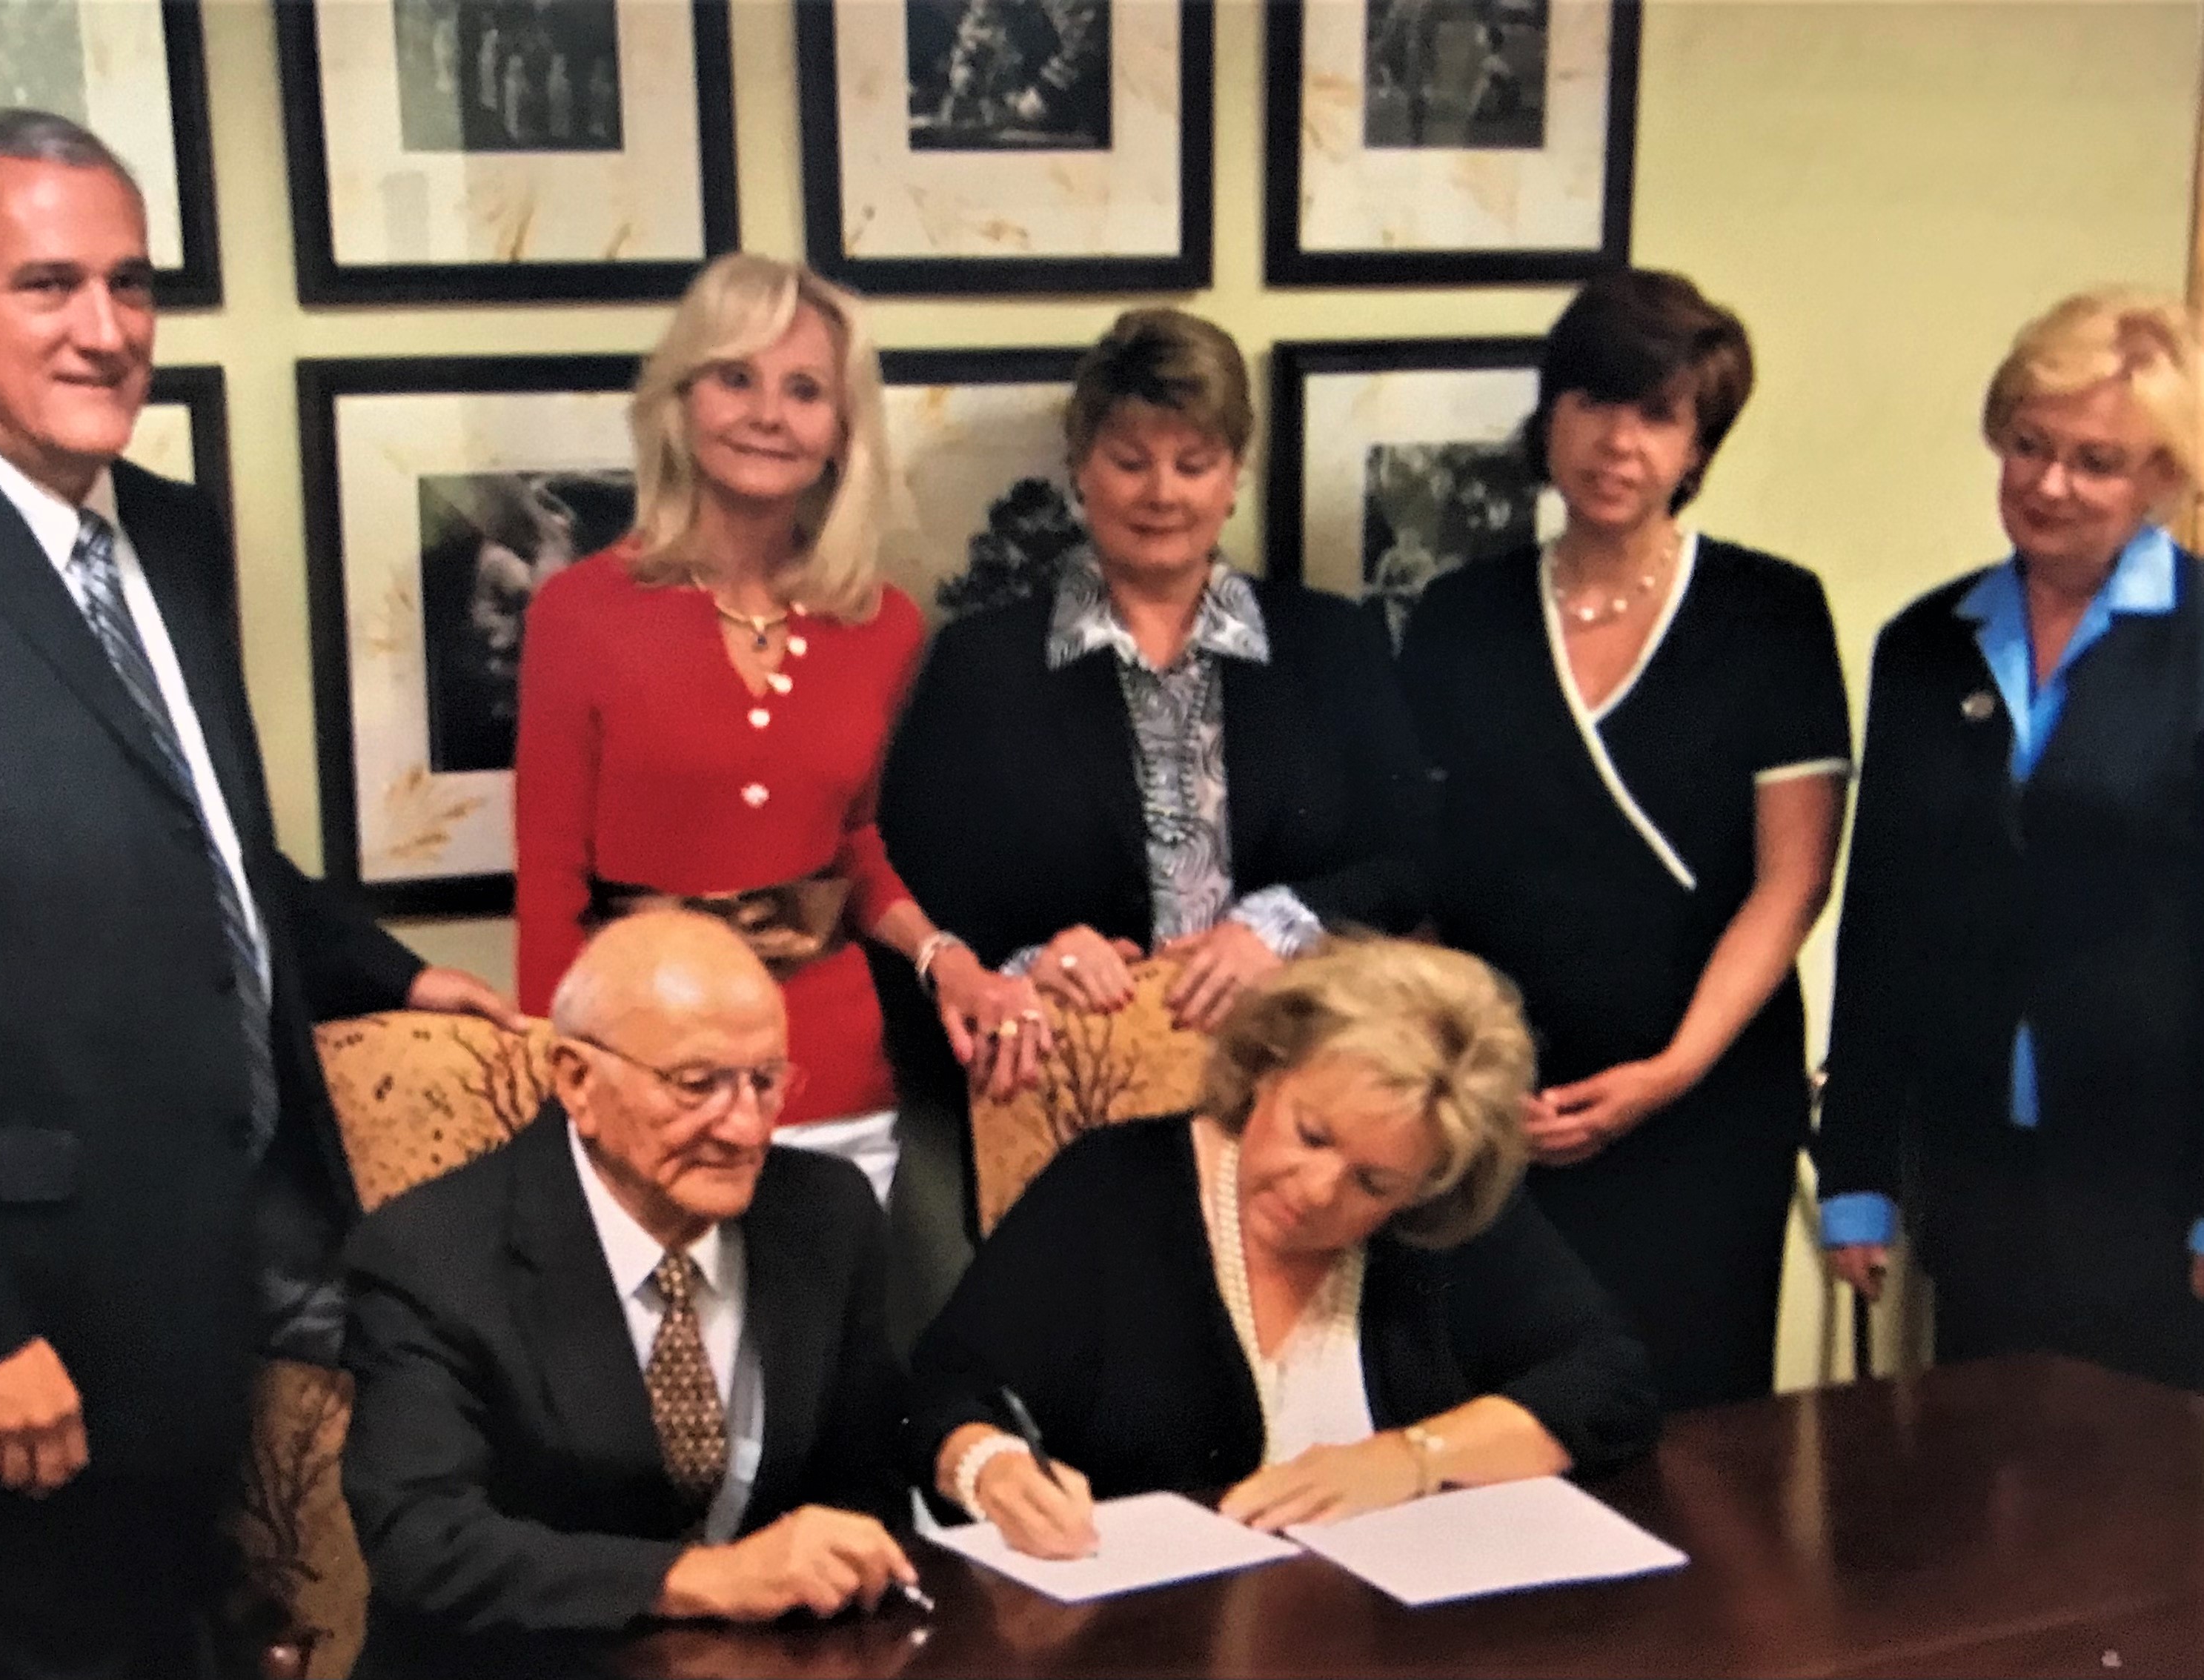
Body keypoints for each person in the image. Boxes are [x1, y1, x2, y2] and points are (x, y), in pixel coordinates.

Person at [0, 110, 517, 1679]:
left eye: (129, 283)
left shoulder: (165, 532)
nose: (104, 331)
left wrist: (397, 972)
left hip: (188, 1283)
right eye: (48, 284)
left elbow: (216, 853)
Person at [1398, 269, 1851, 1410]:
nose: (1618, 443)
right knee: (1501, 1405)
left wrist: (1672, 1072)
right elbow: (1424, 879)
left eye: (1658, 415)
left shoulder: (1771, 612)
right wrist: (1473, 1068)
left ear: (1699, 447)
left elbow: (1791, 883)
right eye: (1594, 403)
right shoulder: (1459, 616)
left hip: (1703, 1096)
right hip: (1506, 1091)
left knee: (1689, 1423)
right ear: (1548, 415)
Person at [514, 254, 1032, 1212]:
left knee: (822, 1363)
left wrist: (945, 959)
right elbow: (549, 879)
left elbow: (857, 845)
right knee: (659, 1362)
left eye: (805, 390)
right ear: (682, 398)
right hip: (651, 1085)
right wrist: (571, 1090)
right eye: (735, 377)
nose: (768, 413)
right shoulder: (578, 612)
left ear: (841, 431)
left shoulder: (883, 625)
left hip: (830, 1081)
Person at [907, 937, 1658, 1557]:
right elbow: (945, 1388)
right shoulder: (1113, 1185)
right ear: (1268, 1062)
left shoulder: (1439, 1213)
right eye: (1311, 1133)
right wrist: (989, 1464)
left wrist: (1410, 1457)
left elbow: (1608, 1380)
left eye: (1371, 1180)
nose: (1317, 1190)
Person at [341, 912, 915, 1676]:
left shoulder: (825, 1214)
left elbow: (867, 1472)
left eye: (766, 1079)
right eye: (697, 1083)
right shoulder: (432, 1252)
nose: (745, 1127)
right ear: (577, 1079)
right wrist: (705, 1579)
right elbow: (423, 1536)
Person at [1817, 290, 2204, 1391]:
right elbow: (1881, 917)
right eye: (2028, 446)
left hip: (2158, 1173)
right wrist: (1857, 1171)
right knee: (1980, 1502)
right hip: (1978, 1160)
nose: (2047, 485)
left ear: (2164, 479)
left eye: (2096, 460)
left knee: (2150, 1523)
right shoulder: (1929, 645)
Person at [880, 306, 1435, 1061]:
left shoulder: (1330, 641)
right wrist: (1028, 960)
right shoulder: (980, 661)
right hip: (1073, 1078)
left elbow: (1411, 859)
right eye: (1130, 461)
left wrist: (1279, 922)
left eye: (1193, 463)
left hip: (1302, 1072)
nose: (1161, 494)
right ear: (1080, 466)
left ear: (1235, 473)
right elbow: (916, 888)